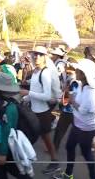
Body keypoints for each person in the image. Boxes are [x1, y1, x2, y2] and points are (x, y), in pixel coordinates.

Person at [53, 59, 95, 179]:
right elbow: (75, 100)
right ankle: (69, 174)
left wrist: (72, 101)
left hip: (87, 130)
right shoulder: (81, 86)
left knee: (87, 155)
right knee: (69, 147)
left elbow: (85, 110)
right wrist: (70, 96)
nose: (76, 71)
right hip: (77, 125)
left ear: (84, 74)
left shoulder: (91, 91)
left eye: (78, 70)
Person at [20, 46, 60, 175]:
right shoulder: (36, 72)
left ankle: (54, 163)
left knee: (46, 140)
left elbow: (47, 96)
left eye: (40, 55)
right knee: (31, 137)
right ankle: (26, 161)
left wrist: (28, 93)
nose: (36, 57)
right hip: (34, 111)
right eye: (35, 54)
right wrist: (24, 98)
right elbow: (35, 92)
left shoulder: (45, 72)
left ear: (45, 57)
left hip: (42, 113)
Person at [0, 73, 32, 179]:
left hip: (8, 144)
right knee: (2, 169)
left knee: (15, 170)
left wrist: (3, 152)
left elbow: (6, 130)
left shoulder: (8, 108)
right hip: (1, 142)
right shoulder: (2, 104)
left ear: (0, 91)